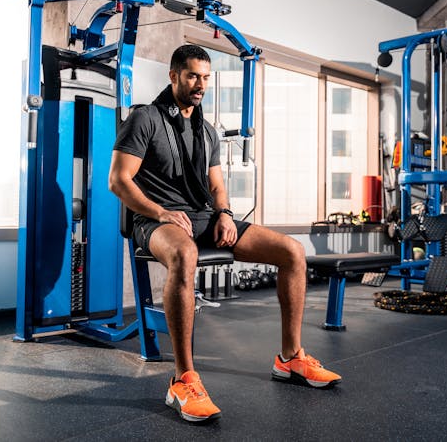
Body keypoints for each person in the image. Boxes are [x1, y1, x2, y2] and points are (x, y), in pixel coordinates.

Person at [108, 44, 341, 424]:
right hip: (155, 221)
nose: (200, 85)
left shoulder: (207, 129)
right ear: (174, 76)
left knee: (292, 251)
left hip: (203, 218)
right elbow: (118, 181)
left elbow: (217, 185)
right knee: (185, 255)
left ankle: (290, 358)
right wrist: (161, 211)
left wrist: (226, 214)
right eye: (192, 76)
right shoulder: (145, 119)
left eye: (205, 78)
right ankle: (182, 379)